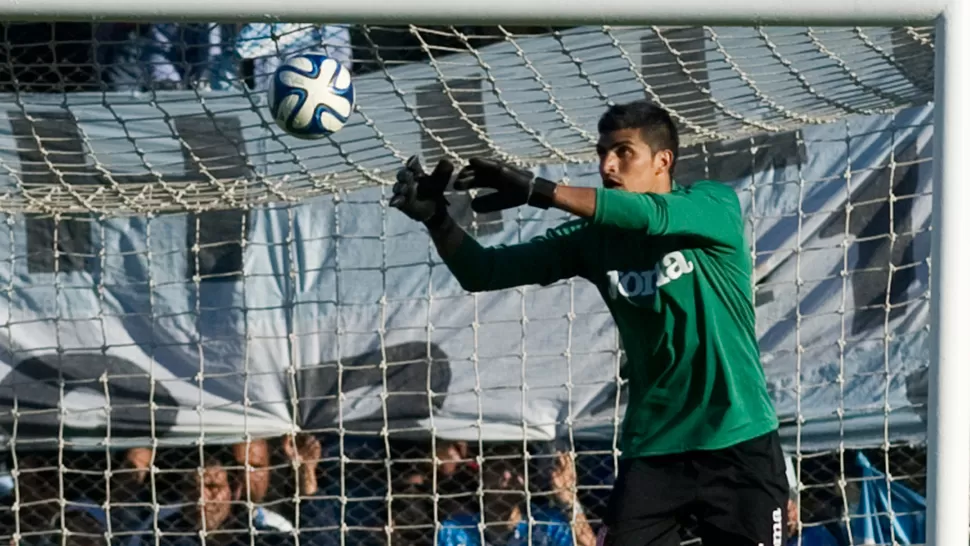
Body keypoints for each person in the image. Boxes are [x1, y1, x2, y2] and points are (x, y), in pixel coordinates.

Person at [389, 99, 789, 546]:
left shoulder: (713, 205)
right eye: (602, 153)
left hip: (739, 441)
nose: (607, 165)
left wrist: (540, 190)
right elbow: (483, 272)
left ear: (663, 161)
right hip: (654, 451)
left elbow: (649, 216)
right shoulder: (592, 240)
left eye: (623, 152)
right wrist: (437, 220)